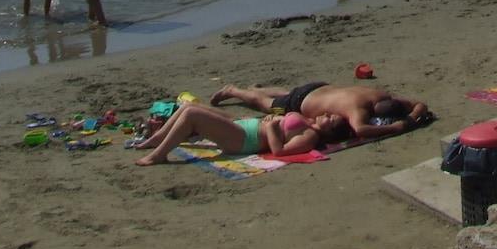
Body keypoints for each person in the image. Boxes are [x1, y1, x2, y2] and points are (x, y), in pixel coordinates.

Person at [130, 102, 341, 165]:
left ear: (330, 131)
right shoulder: (309, 121)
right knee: (188, 106)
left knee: (192, 115)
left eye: (331, 119)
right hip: (245, 126)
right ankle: (157, 139)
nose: (327, 114)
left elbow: (279, 151)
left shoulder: (310, 137)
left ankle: (159, 155)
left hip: (244, 140)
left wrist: (271, 127)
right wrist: (273, 120)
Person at [208, 81, 430, 140]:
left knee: (286, 95)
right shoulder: (359, 110)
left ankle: (257, 89)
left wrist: (412, 115)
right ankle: (233, 91)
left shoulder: (381, 95)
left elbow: (420, 104)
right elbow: (361, 130)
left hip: (319, 89)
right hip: (300, 102)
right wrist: (399, 126)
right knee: (265, 104)